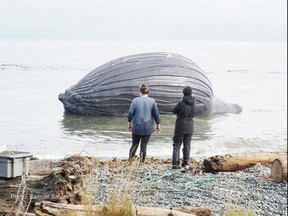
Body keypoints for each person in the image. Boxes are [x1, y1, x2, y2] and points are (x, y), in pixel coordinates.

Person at [127, 83, 161, 163]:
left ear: (140, 92)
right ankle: (141, 163)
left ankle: (130, 162)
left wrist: (129, 123)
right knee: (144, 146)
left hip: (137, 128)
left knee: (134, 145)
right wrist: (158, 125)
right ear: (147, 92)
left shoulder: (135, 101)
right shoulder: (152, 101)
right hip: (148, 128)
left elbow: (130, 114)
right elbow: (156, 114)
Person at [171, 86, 196, 169]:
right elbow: (194, 114)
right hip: (190, 127)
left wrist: (180, 101)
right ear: (191, 93)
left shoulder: (181, 102)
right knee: (187, 145)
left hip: (180, 126)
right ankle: (186, 163)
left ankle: (175, 164)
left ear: (183, 93)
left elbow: (173, 111)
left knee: (176, 145)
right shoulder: (194, 103)